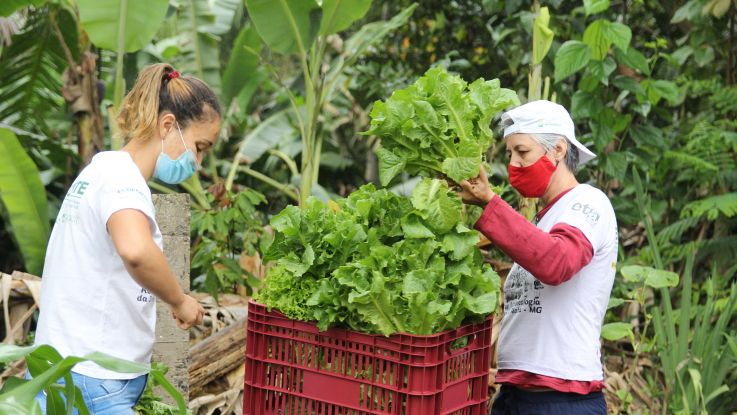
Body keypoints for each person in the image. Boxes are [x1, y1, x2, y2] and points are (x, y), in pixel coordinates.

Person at [31, 63, 220, 414]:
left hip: (69, 370)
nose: (198, 161)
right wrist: (179, 300)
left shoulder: (102, 170)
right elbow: (135, 250)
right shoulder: (123, 180)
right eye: (199, 145)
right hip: (93, 379)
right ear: (168, 125)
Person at [458, 100, 617, 415]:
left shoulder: (588, 202)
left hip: (563, 400)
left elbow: (556, 263)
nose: (514, 163)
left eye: (522, 151)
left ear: (558, 149)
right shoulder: (544, 221)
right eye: (509, 154)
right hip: (516, 396)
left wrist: (491, 204)